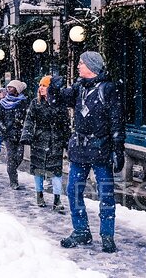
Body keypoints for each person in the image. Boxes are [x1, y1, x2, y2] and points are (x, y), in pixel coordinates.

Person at [48, 51, 125, 254]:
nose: (78, 66)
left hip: (101, 148)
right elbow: (58, 101)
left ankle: (107, 235)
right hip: (80, 149)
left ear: (92, 67)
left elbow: (117, 120)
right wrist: (54, 89)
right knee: (73, 190)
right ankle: (81, 230)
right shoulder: (79, 87)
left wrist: (118, 148)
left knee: (106, 194)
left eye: (81, 63)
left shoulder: (108, 89)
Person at [20, 75, 71, 211]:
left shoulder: (59, 104)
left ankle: (57, 199)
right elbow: (29, 120)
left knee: (56, 171)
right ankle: (39, 194)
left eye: (45, 86)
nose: (41, 88)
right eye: (40, 85)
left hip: (55, 140)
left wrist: (67, 141)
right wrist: (27, 135)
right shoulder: (35, 103)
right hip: (39, 140)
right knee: (38, 170)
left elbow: (65, 124)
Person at [0, 79, 28, 189]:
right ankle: (14, 181)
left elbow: (27, 117)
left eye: (11, 87)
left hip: (20, 134)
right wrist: (5, 129)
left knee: (19, 156)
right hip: (8, 135)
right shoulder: (2, 103)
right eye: (8, 87)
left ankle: (12, 169)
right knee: (11, 157)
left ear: (17, 89)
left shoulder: (22, 102)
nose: (8, 89)